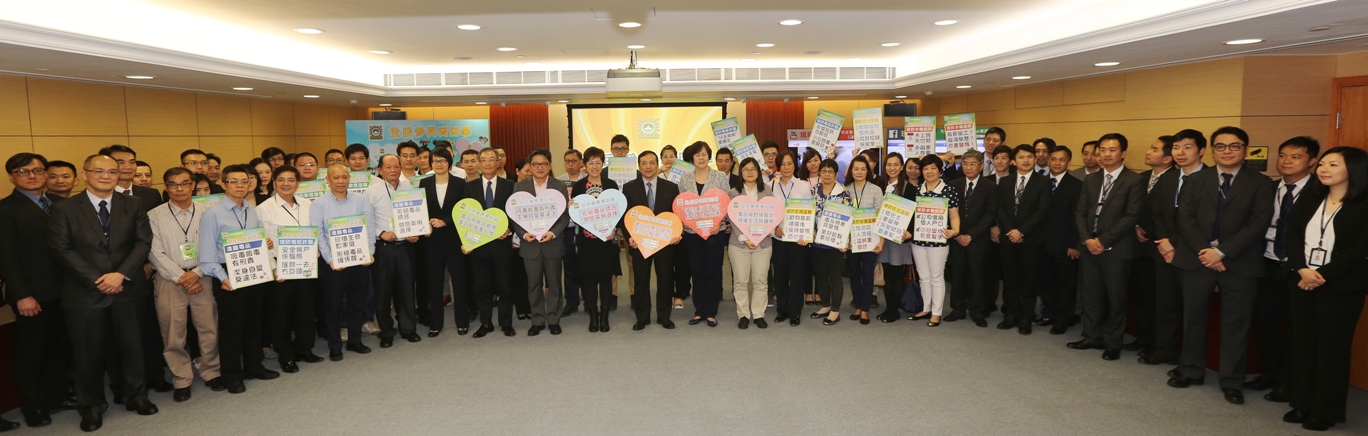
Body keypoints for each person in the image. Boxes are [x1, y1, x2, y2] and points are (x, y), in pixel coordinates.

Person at [49, 154, 157, 432]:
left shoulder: (133, 204)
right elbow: (61, 249)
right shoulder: (64, 208)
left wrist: (121, 274)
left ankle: (136, 396)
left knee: (133, 349)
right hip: (85, 293)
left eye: (112, 171)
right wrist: (98, 279)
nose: (106, 176)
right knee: (87, 356)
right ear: (85, 174)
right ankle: (92, 407)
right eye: (99, 171)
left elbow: (143, 242)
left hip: (127, 288)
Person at [1167, 126, 1274, 406]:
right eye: (1221, 146)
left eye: (1234, 146)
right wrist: (1207, 252)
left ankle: (1231, 381)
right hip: (1197, 258)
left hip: (1239, 262)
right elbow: (1185, 218)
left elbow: (1258, 224)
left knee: (1236, 324)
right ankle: (1191, 370)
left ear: (1245, 150)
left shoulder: (1262, 183)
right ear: (1212, 150)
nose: (1227, 151)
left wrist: (1222, 252)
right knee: (1193, 317)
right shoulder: (1195, 180)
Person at [1283, 146, 1368, 431]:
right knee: (1303, 343)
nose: (1323, 169)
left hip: (1342, 286)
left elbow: (1361, 249)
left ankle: (1325, 411)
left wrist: (1322, 275)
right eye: (1322, 164)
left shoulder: (1363, 203)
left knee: (1332, 349)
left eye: (1333, 164)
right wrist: (1302, 269)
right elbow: (1292, 235)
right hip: (1302, 281)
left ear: (1354, 169)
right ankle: (1301, 403)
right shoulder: (1311, 196)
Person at [0, 153, 75, 428]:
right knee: (32, 352)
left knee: (59, 347)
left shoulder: (60, 203)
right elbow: (7, 258)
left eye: (37, 170)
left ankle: (55, 396)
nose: (31, 175)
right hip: (32, 294)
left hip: (66, 290)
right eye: (23, 171)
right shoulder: (6, 209)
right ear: (11, 177)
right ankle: (33, 406)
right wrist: (22, 295)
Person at [1248, 136, 1320, 403]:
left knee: (1295, 328)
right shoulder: (1267, 187)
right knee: (1264, 323)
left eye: (1296, 156)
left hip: (1299, 269)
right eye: (1283, 155)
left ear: (1312, 161)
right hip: (1267, 263)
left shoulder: (1321, 190)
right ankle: (1270, 373)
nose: (1287, 161)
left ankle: (1289, 383)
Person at [198, 164, 280, 394]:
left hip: (254, 270)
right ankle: (232, 374)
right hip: (228, 274)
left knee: (253, 323)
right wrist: (223, 278)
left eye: (244, 181)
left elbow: (257, 240)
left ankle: (254, 366)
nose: (240, 186)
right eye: (233, 181)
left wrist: (265, 244)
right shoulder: (212, 214)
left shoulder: (251, 210)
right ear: (223, 184)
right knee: (231, 327)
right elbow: (206, 256)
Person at [145, 167, 223, 404]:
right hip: (169, 279)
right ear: (166, 187)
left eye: (185, 183)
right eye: (173, 184)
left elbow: (217, 245)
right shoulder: (154, 215)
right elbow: (154, 252)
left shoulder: (208, 212)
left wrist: (196, 274)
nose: (179, 189)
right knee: (173, 332)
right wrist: (182, 277)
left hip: (203, 275)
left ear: (193, 186)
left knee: (209, 327)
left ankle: (212, 372)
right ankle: (182, 379)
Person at [1068, 134, 1145, 360]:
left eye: (1112, 150)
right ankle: (1092, 336)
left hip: (1118, 249)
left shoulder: (1134, 180)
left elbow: (1131, 216)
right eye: (1102, 150)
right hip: (1090, 247)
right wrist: (1088, 239)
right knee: (1091, 295)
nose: (1106, 154)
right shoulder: (1091, 179)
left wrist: (1103, 241)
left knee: (1116, 298)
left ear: (1123, 153)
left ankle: (1113, 342)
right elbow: (1080, 212)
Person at [1143, 129, 1207, 367]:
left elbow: (1203, 220)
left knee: (1192, 311)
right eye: (1177, 148)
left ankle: (1189, 360)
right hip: (1164, 251)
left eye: (1187, 147)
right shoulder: (1168, 178)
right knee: (1166, 304)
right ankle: (1165, 350)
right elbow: (1157, 213)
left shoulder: (1211, 179)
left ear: (1201, 151)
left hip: (1194, 254)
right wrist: (1164, 241)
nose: (1181, 153)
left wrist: (1174, 243)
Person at [255, 165, 323, 371]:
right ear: (274, 182)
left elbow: (316, 230)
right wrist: (273, 268)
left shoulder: (307, 204)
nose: (286, 184)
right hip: (281, 268)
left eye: (291, 180)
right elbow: (263, 241)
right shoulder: (264, 208)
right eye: (281, 180)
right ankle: (286, 356)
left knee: (306, 311)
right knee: (281, 315)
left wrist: (317, 249)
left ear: (298, 183)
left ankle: (304, 349)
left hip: (306, 266)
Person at [310, 164, 376, 358]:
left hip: (359, 260)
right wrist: (330, 259)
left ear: (349, 178)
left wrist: (369, 253)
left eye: (344, 177)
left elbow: (369, 228)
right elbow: (318, 233)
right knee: (333, 306)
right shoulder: (319, 204)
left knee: (357, 303)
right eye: (336, 177)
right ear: (328, 180)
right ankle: (335, 345)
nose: (340, 181)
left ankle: (355, 341)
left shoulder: (361, 200)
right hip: (333, 264)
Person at [365, 154, 422, 348]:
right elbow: (365, 220)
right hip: (384, 248)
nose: (393, 170)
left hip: (406, 247)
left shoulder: (410, 189)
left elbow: (417, 215)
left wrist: (416, 232)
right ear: (379, 170)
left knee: (407, 290)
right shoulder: (371, 192)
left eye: (396, 166)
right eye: (388, 167)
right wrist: (381, 233)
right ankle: (387, 332)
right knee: (383, 292)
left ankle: (408, 328)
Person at [621, 150, 681, 330]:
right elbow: (626, 217)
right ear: (639, 166)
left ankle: (664, 317)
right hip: (639, 243)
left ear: (657, 164)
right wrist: (630, 237)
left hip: (665, 243)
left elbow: (676, 216)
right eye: (644, 163)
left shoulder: (671, 188)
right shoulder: (629, 188)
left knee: (665, 280)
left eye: (652, 163)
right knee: (641, 281)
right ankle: (642, 318)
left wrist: (677, 234)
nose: (648, 167)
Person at [513, 149, 571, 336]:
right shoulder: (519, 187)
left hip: (552, 243)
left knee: (554, 284)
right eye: (535, 164)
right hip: (530, 245)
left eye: (544, 163)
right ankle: (537, 320)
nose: (540, 167)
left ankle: (554, 319)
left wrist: (553, 233)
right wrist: (523, 234)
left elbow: (564, 216)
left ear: (550, 165)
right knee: (533, 285)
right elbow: (514, 216)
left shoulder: (559, 186)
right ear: (529, 166)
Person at [995, 144, 1050, 335]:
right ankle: (1011, 314)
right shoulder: (1005, 181)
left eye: (1029, 157)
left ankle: (1027, 317)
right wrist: (1011, 230)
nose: (1025, 160)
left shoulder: (1043, 182)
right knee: (1010, 278)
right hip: (1008, 237)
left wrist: (1021, 231)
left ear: (1035, 159)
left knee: (1029, 279)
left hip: (1031, 239)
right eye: (1021, 157)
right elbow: (1000, 208)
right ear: (1013, 161)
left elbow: (1042, 211)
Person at [463, 148, 518, 337]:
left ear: (498, 162)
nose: (487, 163)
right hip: (479, 246)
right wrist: (466, 240)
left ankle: (506, 323)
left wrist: (509, 228)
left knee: (506, 286)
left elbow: (514, 212)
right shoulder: (469, 187)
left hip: (502, 245)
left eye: (491, 159)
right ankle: (486, 323)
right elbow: (464, 216)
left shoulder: (509, 185)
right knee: (481, 287)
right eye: (484, 160)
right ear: (479, 163)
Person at [1130, 136, 1176, 359]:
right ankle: (1144, 337)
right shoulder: (1142, 177)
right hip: (1140, 246)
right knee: (1144, 295)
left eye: (1155, 149)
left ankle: (1159, 344)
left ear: (1167, 158)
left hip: (1163, 247)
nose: (1149, 152)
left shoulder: (1175, 179)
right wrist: (1136, 225)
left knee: (1162, 299)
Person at [681, 141, 732, 327]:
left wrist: (720, 222)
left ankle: (711, 311)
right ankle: (699, 310)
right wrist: (685, 221)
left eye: (704, 154)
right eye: (697, 155)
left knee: (713, 271)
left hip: (714, 232)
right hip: (692, 232)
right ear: (691, 158)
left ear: (709, 156)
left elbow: (726, 203)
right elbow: (681, 205)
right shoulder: (685, 179)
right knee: (697, 270)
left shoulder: (720, 177)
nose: (701, 158)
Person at [419, 148, 468, 337]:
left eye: (442, 160)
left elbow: (464, 210)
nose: (438, 164)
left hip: (454, 239)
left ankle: (462, 322)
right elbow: (420, 209)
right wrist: (425, 224)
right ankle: (435, 324)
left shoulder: (459, 183)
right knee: (434, 283)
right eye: (435, 161)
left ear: (449, 163)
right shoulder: (424, 183)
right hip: (432, 241)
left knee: (459, 282)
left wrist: (445, 221)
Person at [571, 147, 620, 332]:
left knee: (606, 279)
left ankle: (604, 317)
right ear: (584, 165)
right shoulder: (579, 186)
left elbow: (618, 210)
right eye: (590, 163)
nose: (594, 166)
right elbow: (576, 214)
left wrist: (614, 229)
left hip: (606, 240)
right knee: (589, 280)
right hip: (587, 241)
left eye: (598, 162)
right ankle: (593, 317)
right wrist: (572, 207)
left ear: (602, 163)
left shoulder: (611, 184)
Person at [909, 155, 961, 326]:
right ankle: (926, 308)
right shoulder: (917, 190)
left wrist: (955, 230)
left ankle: (936, 312)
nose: (929, 171)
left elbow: (954, 215)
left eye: (933, 168)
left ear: (940, 170)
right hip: (918, 240)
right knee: (923, 277)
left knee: (936, 276)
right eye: (925, 168)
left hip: (938, 240)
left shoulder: (948, 190)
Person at [947, 150, 996, 326]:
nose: (968, 167)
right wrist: (957, 234)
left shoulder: (990, 186)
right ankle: (957, 309)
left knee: (978, 276)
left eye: (973, 164)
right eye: (965, 164)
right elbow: (947, 212)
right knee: (957, 275)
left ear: (981, 166)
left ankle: (977, 311)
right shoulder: (953, 185)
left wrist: (972, 234)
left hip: (979, 238)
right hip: (957, 237)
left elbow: (991, 214)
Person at [1038, 146, 1082, 333]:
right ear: (1048, 161)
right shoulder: (1040, 182)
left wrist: (1074, 244)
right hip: (1041, 242)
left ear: (1069, 162)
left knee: (1066, 284)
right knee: (1046, 281)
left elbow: (1078, 217)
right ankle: (1049, 313)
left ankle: (1064, 318)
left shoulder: (1076, 185)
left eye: (1062, 159)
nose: (1057, 163)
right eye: (1053, 159)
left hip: (1065, 244)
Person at [727, 157, 775, 329]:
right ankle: (743, 315)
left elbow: (773, 214)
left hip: (763, 244)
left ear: (758, 172)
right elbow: (733, 218)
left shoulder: (767, 190)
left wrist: (764, 233)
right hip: (739, 244)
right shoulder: (734, 192)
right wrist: (745, 239)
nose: (749, 172)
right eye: (746, 169)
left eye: (753, 169)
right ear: (741, 172)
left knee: (760, 280)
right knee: (740, 281)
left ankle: (759, 314)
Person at [769, 150, 812, 326]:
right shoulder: (771, 186)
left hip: (797, 239)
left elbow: (809, 212)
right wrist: (774, 227)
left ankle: (795, 311)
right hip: (778, 238)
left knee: (796, 275)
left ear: (795, 165)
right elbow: (768, 211)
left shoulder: (804, 186)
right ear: (778, 166)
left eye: (790, 163)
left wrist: (805, 234)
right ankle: (782, 310)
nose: (786, 167)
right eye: (783, 164)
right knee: (780, 275)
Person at [808, 159, 852, 326]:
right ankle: (825, 305)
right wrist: (809, 230)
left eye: (830, 171)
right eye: (824, 171)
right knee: (820, 274)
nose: (827, 174)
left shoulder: (843, 193)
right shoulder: (813, 191)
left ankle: (835, 310)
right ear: (819, 173)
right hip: (816, 241)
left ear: (836, 174)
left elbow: (850, 218)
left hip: (835, 243)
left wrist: (846, 240)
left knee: (835, 276)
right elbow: (807, 213)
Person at [875, 152, 915, 323]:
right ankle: (889, 308)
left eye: (896, 164)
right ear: (885, 167)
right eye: (889, 164)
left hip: (899, 238)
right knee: (887, 274)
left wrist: (910, 232)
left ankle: (893, 310)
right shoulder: (879, 185)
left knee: (897, 274)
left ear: (902, 167)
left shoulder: (909, 187)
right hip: (882, 237)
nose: (892, 168)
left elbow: (914, 214)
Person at [844, 155, 883, 324]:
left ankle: (865, 309)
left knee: (868, 275)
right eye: (856, 169)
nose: (859, 172)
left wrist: (881, 242)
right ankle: (858, 306)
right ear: (851, 171)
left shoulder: (876, 190)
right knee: (854, 275)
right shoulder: (845, 190)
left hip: (870, 240)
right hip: (852, 241)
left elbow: (881, 217)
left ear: (868, 171)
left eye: (863, 169)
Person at [556, 149, 586, 317]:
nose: (570, 164)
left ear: (581, 162)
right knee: (569, 267)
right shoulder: (558, 181)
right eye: (567, 161)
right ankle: (571, 302)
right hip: (566, 228)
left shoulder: (588, 180)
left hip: (585, 229)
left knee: (586, 265)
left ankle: (589, 300)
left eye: (574, 161)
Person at [797, 148, 823, 306]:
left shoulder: (827, 179)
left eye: (816, 160)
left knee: (820, 261)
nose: (813, 164)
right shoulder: (800, 181)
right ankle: (807, 292)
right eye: (809, 161)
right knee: (805, 261)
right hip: (804, 225)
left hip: (821, 225)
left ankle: (819, 292)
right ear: (804, 164)